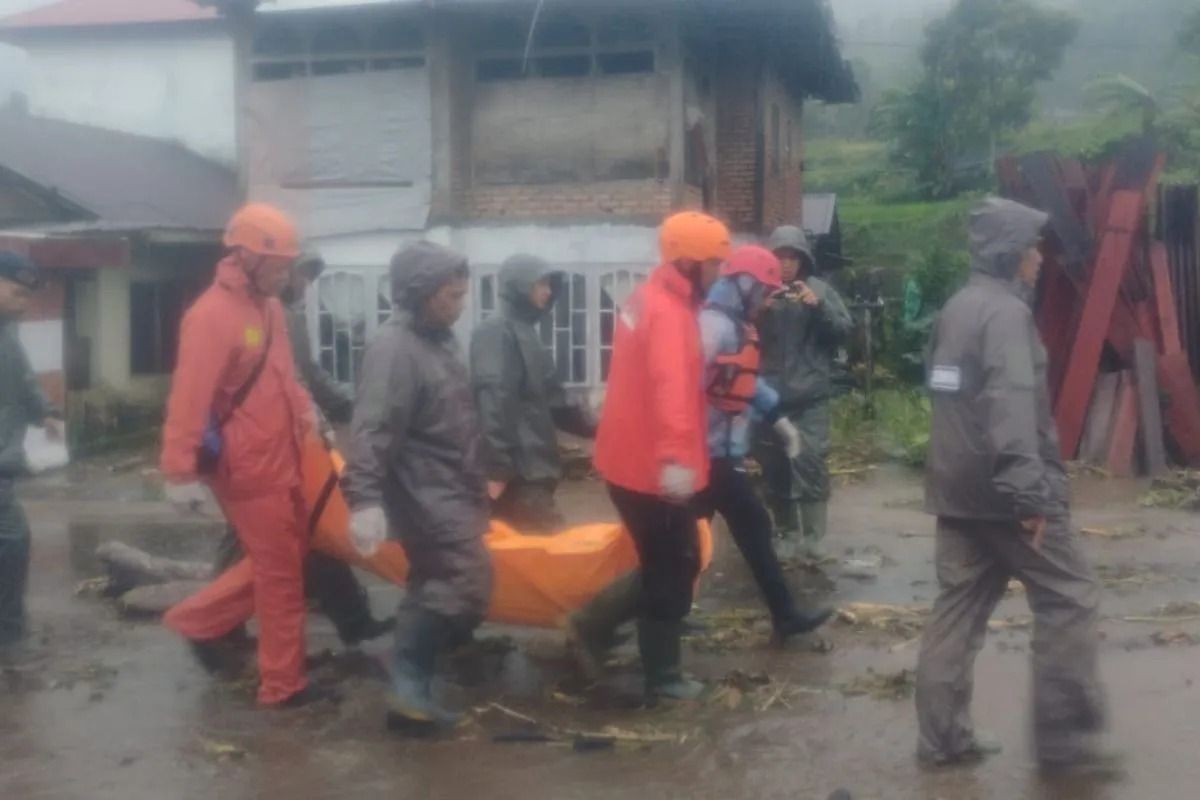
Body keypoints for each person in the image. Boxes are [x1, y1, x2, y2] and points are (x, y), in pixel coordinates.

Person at [915, 197, 1118, 779]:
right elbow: (1008, 408)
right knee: (1070, 597)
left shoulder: (956, 308)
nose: (1039, 258)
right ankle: (1065, 747)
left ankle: (943, 740)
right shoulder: (1005, 316)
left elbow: (944, 387)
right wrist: (1031, 497)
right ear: (1009, 253)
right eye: (1032, 248)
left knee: (957, 609)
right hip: (1006, 490)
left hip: (956, 488)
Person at [568, 245, 834, 677]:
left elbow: (739, 382)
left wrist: (776, 417)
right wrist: (678, 455)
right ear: (745, 285)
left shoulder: (732, 323)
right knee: (686, 551)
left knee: (691, 548)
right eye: (764, 291)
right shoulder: (711, 326)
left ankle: (669, 617)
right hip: (704, 457)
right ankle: (618, 631)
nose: (768, 300)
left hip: (714, 455)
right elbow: (681, 389)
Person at [160, 203, 326, 708]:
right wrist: (179, 471)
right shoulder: (210, 316)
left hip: (286, 455)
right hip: (247, 468)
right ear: (245, 257)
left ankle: (197, 620)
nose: (286, 274)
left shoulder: (270, 309)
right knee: (281, 577)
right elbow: (189, 397)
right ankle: (282, 685)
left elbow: (283, 375)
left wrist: (307, 414)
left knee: (290, 556)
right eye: (278, 266)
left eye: (287, 266)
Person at [342, 241, 492, 727]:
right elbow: (374, 427)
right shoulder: (395, 348)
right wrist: (363, 498)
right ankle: (407, 684)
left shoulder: (438, 338)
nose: (461, 303)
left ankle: (411, 673)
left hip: (452, 484)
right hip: (424, 490)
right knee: (459, 582)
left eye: (463, 293)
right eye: (452, 294)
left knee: (446, 583)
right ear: (423, 293)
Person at [210, 252, 390, 647]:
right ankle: (215, 628)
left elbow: (306, 373)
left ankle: (353, 618)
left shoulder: (285, 315)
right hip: (256, 448)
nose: (307, 285)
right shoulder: (244, 315)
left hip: (291, 443)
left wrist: (345, 406)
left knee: (315, 525)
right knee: (252, 538)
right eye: (302, 276)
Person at [591, 211, 729, 702]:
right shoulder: (669, 314)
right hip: (652, 466)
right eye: (714, 263)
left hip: (630, 460)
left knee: (663, 561)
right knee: (676, 563)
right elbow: (670, 389)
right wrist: (674, 459)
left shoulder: (650, 297)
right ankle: (662, 677)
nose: (719, 273)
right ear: (690, 263)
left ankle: (594, 627)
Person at [470, 254, 595, 533]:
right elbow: (493, 399)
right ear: (519, 286)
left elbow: (556, 401)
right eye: (541, 284)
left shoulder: (527, 334)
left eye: (550, 285)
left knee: (515, 560)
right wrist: (497, 470)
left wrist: (602, 428)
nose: (548, 291)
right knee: (550, 557)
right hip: (517, 476)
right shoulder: (495, 332)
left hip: (533, 474)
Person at [756, 225, 852, 560]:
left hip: (810, 397)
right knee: (775, 467)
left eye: (792, 257)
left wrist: (818, 308)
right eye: (779, 257)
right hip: (769, 402)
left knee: (810, 463)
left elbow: (844, 332)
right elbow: (736, 334)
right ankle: (785, 533)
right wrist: (758, 311)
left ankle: (814, 538)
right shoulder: (758, 293)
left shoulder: (820, 291)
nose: (785, 264)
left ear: (803, 260)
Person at [0, 252, 62, 654]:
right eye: (17, 293)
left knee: (13, 539)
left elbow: (22, 377)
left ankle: (9, 627)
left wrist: (45, 412)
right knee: (13, 537)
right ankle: (8, 630)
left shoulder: (7, 331)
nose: (24, 303)